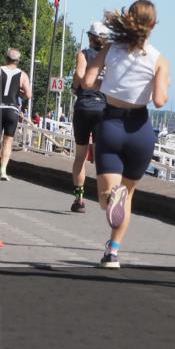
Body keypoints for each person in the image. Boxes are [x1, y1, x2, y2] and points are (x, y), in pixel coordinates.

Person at [83, 0, 169, 267]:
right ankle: (113, 251)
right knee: (128, 195)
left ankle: (112, 200)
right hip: (140, 129)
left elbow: (87, 82)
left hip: (111, 125)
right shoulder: (159, 59)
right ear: (153, 26)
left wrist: (107, 82)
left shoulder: (110, 49)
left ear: (128, 20)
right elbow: (160, 101)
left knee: (105, 200)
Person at [69, 22, 110, 213]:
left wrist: (75, 86)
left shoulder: (84, 54)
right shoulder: (110, 57)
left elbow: (79, 74)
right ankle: (107, 196)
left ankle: (79, 198)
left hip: (84, 107)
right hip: (103, 108)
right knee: (103, 157)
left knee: (80, 156)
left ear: (90, 37)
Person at [0, 49, 32, 181]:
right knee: (8, 141)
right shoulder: (23, 75)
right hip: (12, 110)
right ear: (18, 61)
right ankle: (3, 170)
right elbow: (28, 95)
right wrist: (21, 93)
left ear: (6, 58)